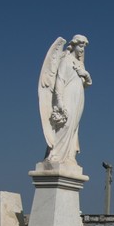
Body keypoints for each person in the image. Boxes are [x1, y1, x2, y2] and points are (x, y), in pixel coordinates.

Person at [40, 35, 92, 165]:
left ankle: (69, 157)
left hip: (78, 99)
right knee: (65, 124)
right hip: (67, 97)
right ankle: (56, 155)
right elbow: (60, 81)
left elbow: (86, 84)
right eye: (80, 46)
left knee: (73, 127)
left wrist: (86, 74)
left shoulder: (80, 64)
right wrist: (59, 101)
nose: (82, 50)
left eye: (84, 48)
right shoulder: (66, 61)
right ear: (73, 45)